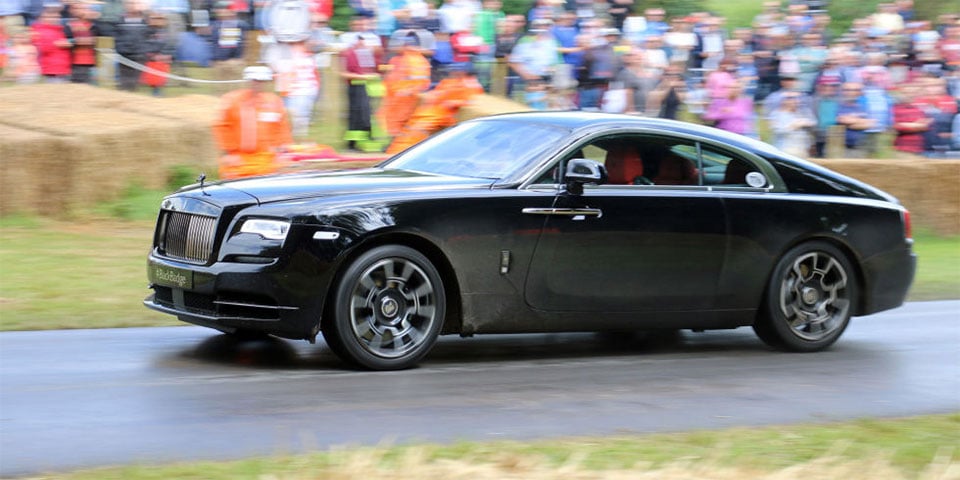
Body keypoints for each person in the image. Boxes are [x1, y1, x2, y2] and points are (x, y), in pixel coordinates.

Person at [213, 66, 292, 180]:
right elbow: (221, 126)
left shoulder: (274, 102)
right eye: (255, 81)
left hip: (268, 159)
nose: (258, 84)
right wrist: (231, 152)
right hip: (240, 159)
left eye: (261, 81)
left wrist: (284, 150)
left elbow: (282, 127)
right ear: (248, 81)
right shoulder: (232, 100)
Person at [386, 62, 483, 153]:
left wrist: (454, 102)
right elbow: (437, 93)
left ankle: (401, 151)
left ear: (464, 73)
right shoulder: (450, 82)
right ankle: (397, 150)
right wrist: (433, 96)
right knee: (412, 127)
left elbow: (472, 102)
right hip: (432, 110)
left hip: (443, 114)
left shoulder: (471, 85)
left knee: (418, 129)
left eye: (458, 72)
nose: (454, 73)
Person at [380, 32, 431, 137]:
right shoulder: (420, 60)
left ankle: (397, 142)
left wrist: (404, 91)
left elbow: (393, 79)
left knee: (398, 122)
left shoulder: (407, 60)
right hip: (403, 97)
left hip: (402, 98)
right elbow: (424, 82)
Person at [31, 5, 71, 82]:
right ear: (41, 18)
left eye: (56, 17)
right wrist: (56, 45)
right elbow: (39, 49)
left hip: (62, 68)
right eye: (51, 17)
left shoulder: (58, 30)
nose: (55, 19)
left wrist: (66, 44)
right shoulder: (38, 31)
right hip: (52, 70)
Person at [770, 92, 815, 157]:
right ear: (784, 101)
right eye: (791, 99)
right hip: (785, 149)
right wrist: (793, 126)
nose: (796, 101)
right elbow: (777, 130)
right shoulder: (776, 114)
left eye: (796, 99)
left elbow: (812, 122)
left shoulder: (801, 112)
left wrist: (805, 122)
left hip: (802, 149)